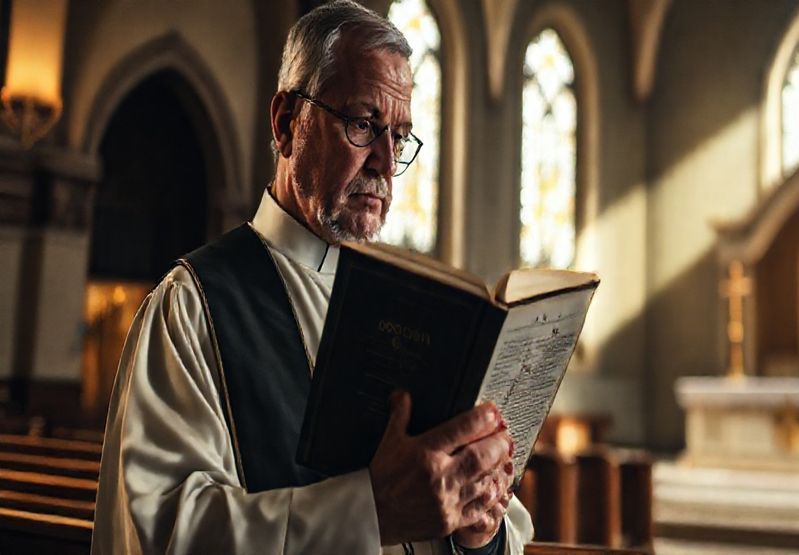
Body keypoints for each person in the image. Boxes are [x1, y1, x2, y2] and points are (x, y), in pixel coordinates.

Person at [91, 2, 532, 553]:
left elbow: (496, 526)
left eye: (399, 137)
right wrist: (370, 513)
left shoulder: (420, 311)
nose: (384, 162)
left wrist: (479, 528)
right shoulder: (195, 304)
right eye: (363, 123)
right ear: (286, 123)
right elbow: (160, 530)